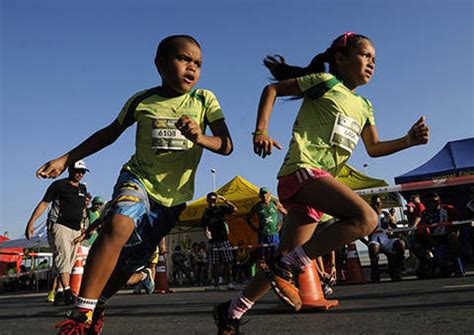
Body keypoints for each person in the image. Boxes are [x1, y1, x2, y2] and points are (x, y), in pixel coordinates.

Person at [213, 32, 429, 333]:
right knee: (365, 218)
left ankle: (232, 311)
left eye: (375, 59)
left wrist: (408, 140)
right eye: (365, 55)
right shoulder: (325, 82)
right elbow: (273, 88)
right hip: (303, 170)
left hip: (315, 188)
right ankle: (290, 265)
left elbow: (374, 148)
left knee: (283, 256)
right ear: (340, 59)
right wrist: (260, 131)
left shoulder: (365, 105)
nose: (371, 63)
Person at [35, 35, 233, 334]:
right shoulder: (142, 100)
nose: (192, 67)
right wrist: (66, 158)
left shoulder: (204, 100)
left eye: (198, 63)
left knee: (129, 263)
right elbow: (109, 133)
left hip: (172, 199)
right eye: (184, 59)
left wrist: (200, 138)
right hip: (138, 178)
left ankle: (98, 303)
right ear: (160, 64)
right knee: (118, 223)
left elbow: (227, 144)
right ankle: (80, 314)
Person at [25, 160, 89, 306]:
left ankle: (59, 293)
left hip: (76, 229)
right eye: (77, 171)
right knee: (63, 258)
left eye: (83, 172)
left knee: (69, 262)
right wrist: (31, 222)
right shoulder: (59, 185)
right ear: (70, 170)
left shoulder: (83, 189)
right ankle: (67, 291)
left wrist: (84, 229)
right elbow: (44, 203)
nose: (80, 174)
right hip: (60, 226)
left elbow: (83, 210)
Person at [411, 191, 462, 277]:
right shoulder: (425, 213)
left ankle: (456, 265)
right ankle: (426, 262)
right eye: (429, 202)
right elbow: (423, 229)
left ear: (439, 200)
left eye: (434, 201)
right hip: (432, 237)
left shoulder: (448, 209)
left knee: (452, 238)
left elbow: (458, 222)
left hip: (446, 236)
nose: (432, 204)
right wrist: (428, 238)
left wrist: (455, 234)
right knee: (414, 243)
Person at [201, 192, 237, 291]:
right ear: (207, 200)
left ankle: (229, 282)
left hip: (224, 239)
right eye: (211, 199)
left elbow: (234, 209)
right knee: (215, 263)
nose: (213, 201)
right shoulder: (206, 213)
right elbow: (204, 227)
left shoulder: (220, 209)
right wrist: (208, 237)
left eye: (214, 199)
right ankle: (215, 284)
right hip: (214, 241)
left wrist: (224, 200)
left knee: (228, 262)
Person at [365, 195, 405, 282]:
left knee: (401, 244)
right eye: (373, 203)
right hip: (374, 238)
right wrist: (366, 242)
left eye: (377, 203)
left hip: (386, 238)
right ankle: (375, 276)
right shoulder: (368, 215)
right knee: (373, 247)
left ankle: (396, 270)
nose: (375, 205)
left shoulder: (386, 214)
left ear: (381, 204)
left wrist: (400, 233)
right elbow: (360, 230)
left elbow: (395, 226)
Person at [246, 187, 287, 263]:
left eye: (265, 194)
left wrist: (281, 224)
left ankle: (275, 270)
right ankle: (264, 272)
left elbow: (286, 214)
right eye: (262, 194)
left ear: (269, 194)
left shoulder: (275, 203)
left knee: (275, 255)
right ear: (260, 196)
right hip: (262, 234)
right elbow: (247, 218)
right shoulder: (257, 206)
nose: (264, 196)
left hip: (274, 234)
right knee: (262, 257)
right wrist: (254, 228)